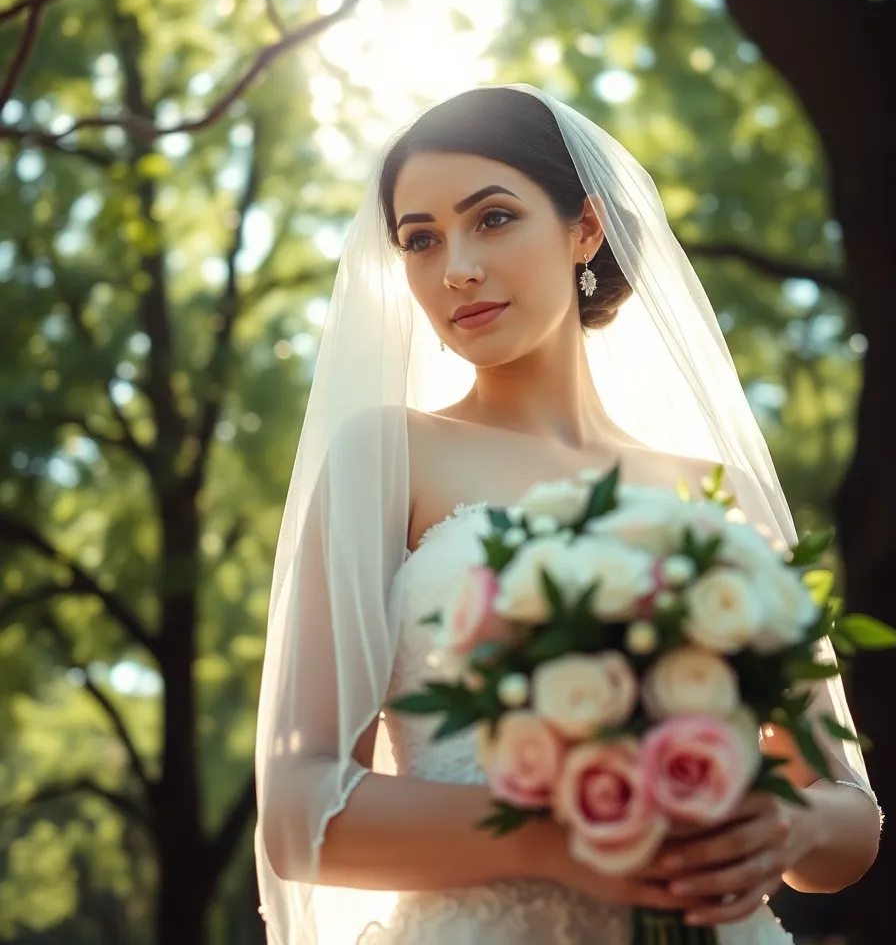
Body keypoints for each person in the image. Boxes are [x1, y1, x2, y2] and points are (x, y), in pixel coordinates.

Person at [254, 85, 881, 945]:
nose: (456, 269)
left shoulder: (718, 495)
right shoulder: (386, 454)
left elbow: (843, 809)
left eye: (494, 219)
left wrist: (787, 829)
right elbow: (299, 813)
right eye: (421, 240)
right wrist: (561, 843)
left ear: (585, 228)